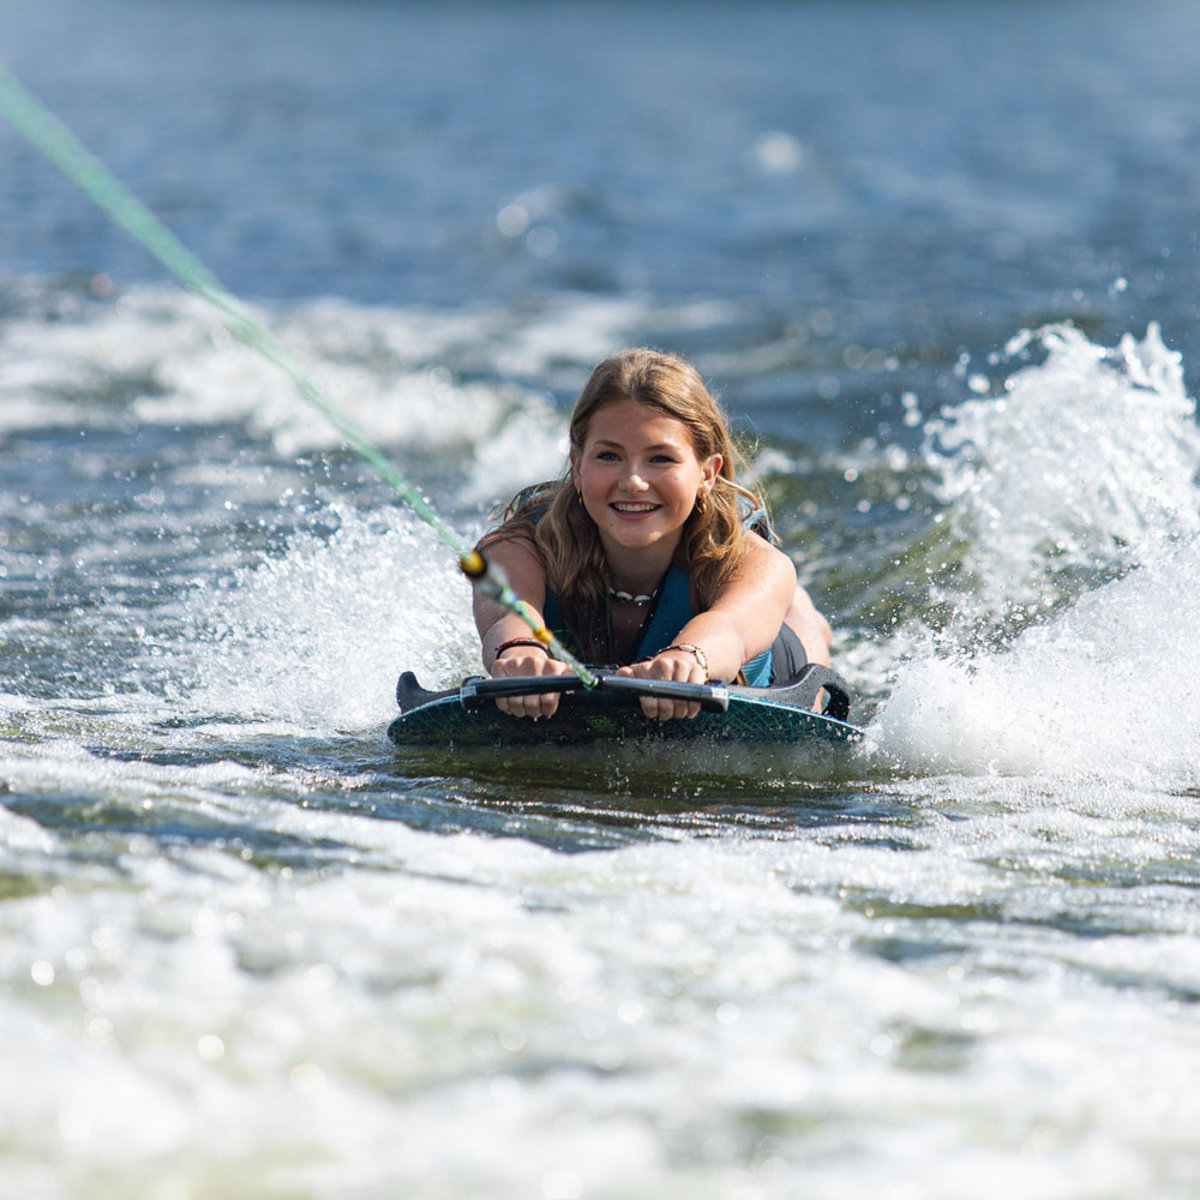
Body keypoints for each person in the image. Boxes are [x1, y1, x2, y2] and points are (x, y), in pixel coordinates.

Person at [472, 348, 833, 721]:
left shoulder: (754, 562)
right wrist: (519, 650)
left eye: (661, 458)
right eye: (609, 456)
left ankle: (803, 613)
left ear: (707, 474)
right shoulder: (520, 547)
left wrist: (689, 659)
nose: (633, 482)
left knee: (797, 621)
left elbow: (729, 630)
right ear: (577, 465)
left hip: (768, 662)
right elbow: (505, 616)